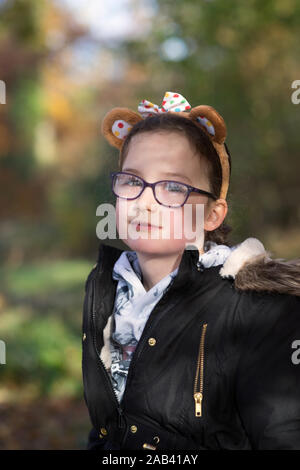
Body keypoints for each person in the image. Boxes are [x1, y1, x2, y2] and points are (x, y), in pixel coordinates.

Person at [82, 91, 300, 450]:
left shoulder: (260, 312)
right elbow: (106, 427)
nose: (144, 202)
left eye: (173, 187)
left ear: (213, 214)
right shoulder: (105, 292)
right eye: (133, 181)